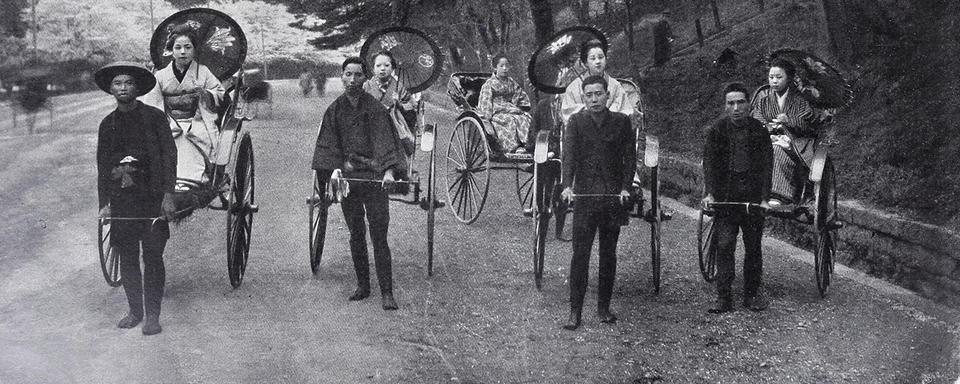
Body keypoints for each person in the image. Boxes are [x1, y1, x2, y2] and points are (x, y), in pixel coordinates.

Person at [312, 57, 408, 310]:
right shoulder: (334, 110)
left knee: (379, 234)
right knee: (356, 233)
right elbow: (328, 147)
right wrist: (333, 173)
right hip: (349, 179)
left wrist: (389, 172)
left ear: (365, 78)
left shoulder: (375, 108)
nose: (353, 80)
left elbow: (386, 142)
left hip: (375, 178)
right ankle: (363, 286)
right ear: (342, 77)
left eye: (357, 75)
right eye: (348, 74)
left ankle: (387, 292)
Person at [94, 61, 177, 335]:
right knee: (128, 257)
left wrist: (168, 195)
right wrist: (104, 204)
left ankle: (152, 315)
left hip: (152, 198)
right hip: (122, 201)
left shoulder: (154, 118)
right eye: (118, 83)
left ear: (138, 87)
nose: (123, 88)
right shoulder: (108, 125)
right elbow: (103, 166)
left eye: (128, 82)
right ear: (111, 89)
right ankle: (135, 311)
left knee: (153, 256)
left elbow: (169, 157)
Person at [559, 75, 636, 330]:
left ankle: (603, 308)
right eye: (589, 95)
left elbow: (629, 159)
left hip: (612, 198)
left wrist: (625, 188)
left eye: (599, 94)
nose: (594, 99)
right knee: (580, 255)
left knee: (608, 255)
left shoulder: (622, 122)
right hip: (585, 198)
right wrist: (567, 186)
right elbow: (568, 155)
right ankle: (575, 312)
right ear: (583, 97)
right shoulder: (576, 122)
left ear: (608, 96)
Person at [702, 82, 773, 313]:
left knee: (753, 247)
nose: (736, 108)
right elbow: (710, 166)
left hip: (752, 198)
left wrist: (764, 198)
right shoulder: (717, 131)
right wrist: (711, 194)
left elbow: (766, 167)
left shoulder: (759, 131)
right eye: (731, 103)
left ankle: (751, 295)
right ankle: (724, 297)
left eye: (740, 102)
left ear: (749, 104)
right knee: (724, 245)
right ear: (725, 106)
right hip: (726, 198)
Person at [143, 23, 226, 189]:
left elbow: (220, 94)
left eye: (188, 47)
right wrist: (163, 125)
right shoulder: (160, 76)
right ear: (171, 50)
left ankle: (195, 180)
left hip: (198, 121)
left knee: (195, 139)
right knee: (164, 141)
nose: (183, 52)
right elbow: (152, 105)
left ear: (194, 49)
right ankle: (169, 182)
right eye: (178, 47)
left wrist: (205, 93)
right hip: (169, 122)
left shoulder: (203, 72)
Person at [750, 58, 817, 206]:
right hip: (768, 136)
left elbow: (807, 124)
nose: (774, 81)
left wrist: (789, 120)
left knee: (776, 150)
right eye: (771, 77)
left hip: (795, 141)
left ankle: (780, 195)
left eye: (779, 77)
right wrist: (767, 126)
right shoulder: (763, 98)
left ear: (790, 79)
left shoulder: (800, 99)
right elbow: (756, 116)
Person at [559, 39, 633, 125]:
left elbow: (625, 110)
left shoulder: (615, 85)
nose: (598, 62)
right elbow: (568, 114)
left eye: (601, 57)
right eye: (592, 58)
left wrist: (605, 116)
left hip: (611, 131)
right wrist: (588, 112)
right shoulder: (573, 88)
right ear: (585, 62)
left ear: (605, 59)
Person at [362, 50, 416, 157]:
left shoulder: (398, 86)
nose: (382, 69)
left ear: (392, 68)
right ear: (373, 69)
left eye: (387, 65)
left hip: (394, 122)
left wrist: (399, 103)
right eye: (378, 66)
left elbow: (411, 107)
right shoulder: (367, 86)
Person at [477, 54, 532, 154]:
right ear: (495, 67)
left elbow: (520, 94)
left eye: (507, 66)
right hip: (496, 111)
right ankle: (513, 147)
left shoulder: (511, 82)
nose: (505, 68)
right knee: (509, 120)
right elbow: (485, 101)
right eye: (501, 66)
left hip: (511, 109)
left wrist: (521, 106)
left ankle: (527, 145)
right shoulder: (489, 84)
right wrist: (487, 119)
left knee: (525, 118)